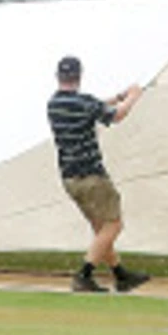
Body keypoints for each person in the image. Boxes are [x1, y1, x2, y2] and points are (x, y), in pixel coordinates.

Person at [45, 56, 147, 293]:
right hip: (91, 175)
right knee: (114, 225)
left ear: (58, 76)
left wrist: (119, 96)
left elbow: (93, 106)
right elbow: (116, 115)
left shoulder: (54, 104)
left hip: (70, 179)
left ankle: (121, 275)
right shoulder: (84, 103)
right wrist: (133, 96)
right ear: (79, 76)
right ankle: (84, 274)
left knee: (100, 228)